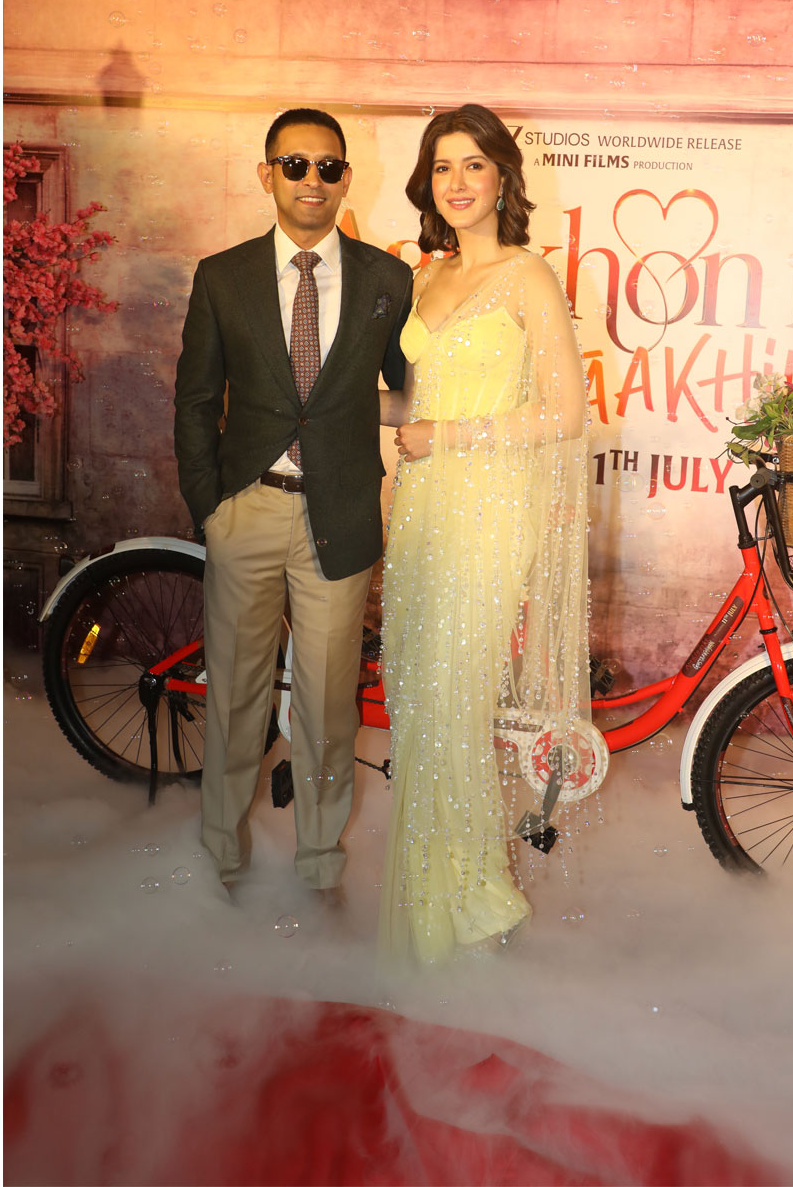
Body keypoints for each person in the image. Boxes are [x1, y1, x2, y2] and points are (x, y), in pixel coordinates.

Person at [174, 107, 415, 906]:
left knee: (327, 702)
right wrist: (209, 505)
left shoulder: (387, 280)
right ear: (267, 174)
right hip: (246, 508)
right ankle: (220, 851)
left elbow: (408, 387)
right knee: (236, 694)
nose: (313, 180)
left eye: (329, 166)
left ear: (346, 178)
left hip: (339, 515)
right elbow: (195, 400)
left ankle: (320, 860)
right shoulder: (223, 276)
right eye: (295, 164)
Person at [376, 104, 592, 966]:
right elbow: (413, 405)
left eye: (474, 164)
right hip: (421, 511)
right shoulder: (424, 276)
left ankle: (469, 907)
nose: (457, 182)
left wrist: (450, 436)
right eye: (442, 167)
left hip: (489, 513)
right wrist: (312, 405)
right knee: (415, 702)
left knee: (450, 706)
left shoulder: (526, 275)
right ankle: (453, 891)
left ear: (503, 177)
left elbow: (565, 415)